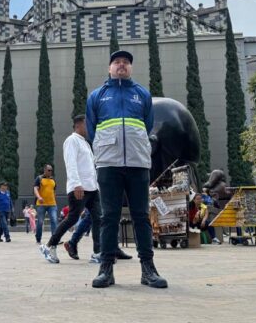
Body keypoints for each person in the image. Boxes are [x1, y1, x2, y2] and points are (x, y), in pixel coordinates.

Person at [86, 49, 168, 289]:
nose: (121, 65)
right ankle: (106, 269)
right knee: (108, 216)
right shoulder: (97, 96)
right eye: (117, 62)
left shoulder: (142, 94)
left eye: (125, 62)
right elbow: (92, 130)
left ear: (130, 68)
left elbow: (148, 124)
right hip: (109, 163)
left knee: (141, 215)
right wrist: (104, 151)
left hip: (137, 162)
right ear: (109, 68)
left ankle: (148, 269)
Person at [40, 114, 102, 264]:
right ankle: (49, 246)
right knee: (72, 218)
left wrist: (97, 185)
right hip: (79, 188)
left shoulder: (85, 143)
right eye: (88, 124)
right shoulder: (72, 140)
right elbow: (71, 163)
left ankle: (98, 253)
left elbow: (90, 168)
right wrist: (76, 184)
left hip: (92, 188)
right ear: (79, 125)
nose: (90, 127)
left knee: (98, 218)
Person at [33, 164, 58, 244]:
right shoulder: (39, 178)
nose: (50, 172)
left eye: (51, 170)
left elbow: (54, 191)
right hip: (41, 204)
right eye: (49, 170)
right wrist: (39, 197)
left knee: (54, 220)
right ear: (45, 170)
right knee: (40, 222)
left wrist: (54, 198)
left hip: (52, 204)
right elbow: (35, 189)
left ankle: (54, 239)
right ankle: (38, 238)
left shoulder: (53, 179)